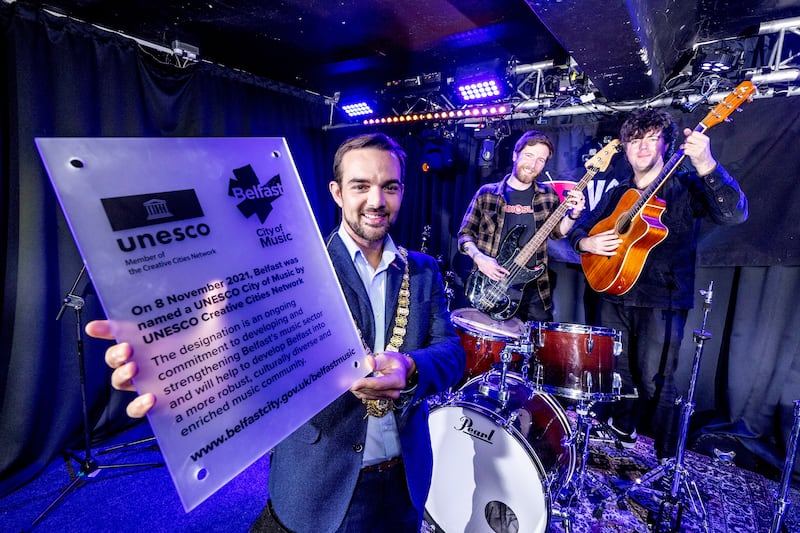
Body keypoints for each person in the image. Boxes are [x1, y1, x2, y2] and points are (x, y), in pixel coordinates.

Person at [86, 133, 466, 533]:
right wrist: (185, 368)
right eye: (361, 185)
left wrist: (410, 366)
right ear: (337, 193)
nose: (376, 201)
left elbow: (451, 352)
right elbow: (250, 354)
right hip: (321, 482)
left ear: (402, 191)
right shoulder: (293, 268)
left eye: (389, 187)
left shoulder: (423, 270)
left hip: (406, 478)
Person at [569, 108, 748, 460]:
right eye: (635, 140)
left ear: (667, 145)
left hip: (661, 298)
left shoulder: (685, 185)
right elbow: (582, 227)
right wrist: (584, 243)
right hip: (611, 292)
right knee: (616, 370)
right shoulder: (617, 192)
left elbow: (734, 213)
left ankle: (668, 458)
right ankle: (623, 427)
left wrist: (707, 164)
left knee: (658, 380)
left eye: (652, 139)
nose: (643, 148)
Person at [457, 129, 586, 322]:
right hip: (490, 286)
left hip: (533, 289)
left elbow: (557, 233)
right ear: (515, 155)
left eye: (540, 160)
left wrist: (573, 214)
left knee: (534, 348)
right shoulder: (487, 193)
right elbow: (465, 235)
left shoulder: (548, 195)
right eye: (529, 155)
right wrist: (480, 259)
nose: (533, 165)